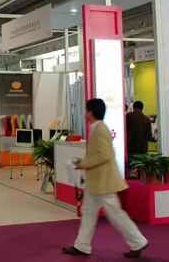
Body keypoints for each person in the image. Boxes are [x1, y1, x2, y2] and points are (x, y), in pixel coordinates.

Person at [63, 98, 148, 258]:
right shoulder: (97, 128)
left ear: (91, 112)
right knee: (89, 212)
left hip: (103, 182)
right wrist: (83, 162)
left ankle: (138, 241)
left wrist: (83, 163)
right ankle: (82, 245)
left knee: (115, 214)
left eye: (86, 110)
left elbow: (104, 155)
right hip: (96, 182)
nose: (85, 113)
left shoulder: (101, 130)